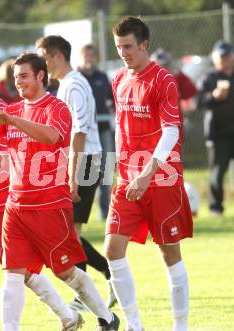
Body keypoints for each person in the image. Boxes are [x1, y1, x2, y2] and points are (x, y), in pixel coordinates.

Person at [0, 52, 119, 331]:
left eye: (24, 75)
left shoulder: (55, 107)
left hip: (49, 204)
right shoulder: (10, 111)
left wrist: (14, 122)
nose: (19, 82)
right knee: (13, 275)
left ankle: (107, 319)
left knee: (66, 272)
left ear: (40, 75)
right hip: (15, 207)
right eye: (15, 77)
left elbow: (51, 136)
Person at [107, 16, 194, 331]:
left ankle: (180, 327)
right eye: (119, 47)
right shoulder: (118, 78)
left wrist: (146, 172)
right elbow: (120, 125)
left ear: (144, 44)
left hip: (160, 179)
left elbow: (170, 131)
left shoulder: (164, 80)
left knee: (169, 253)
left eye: (128, 46)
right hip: (128, 178)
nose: (124, 53)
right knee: (112, 249)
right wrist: (119, 167)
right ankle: (134, 325)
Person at [36, 35, 116, 312]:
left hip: (86, 163)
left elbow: (79, 131)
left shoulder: (73, 85)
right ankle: (102, 281)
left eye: (42, 57)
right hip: (83, 162)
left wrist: (71, 174)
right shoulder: (69, 84)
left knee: (69, 233)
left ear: (56, 55)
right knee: (69, 232)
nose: (40, 64)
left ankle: (98, 283)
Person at [78, 44, 115, 221]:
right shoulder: (76, 79)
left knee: (106, 171)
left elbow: (113, 101)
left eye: (92, 55)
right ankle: (81, 213)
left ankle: (106, 212)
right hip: (84, 134)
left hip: (104, 129)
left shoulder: (102, 77)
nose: (89, 58)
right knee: (87, 174)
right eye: (86, 55)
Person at [198, 40, 234, 216]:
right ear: (215, 58)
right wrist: (214, 96)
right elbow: (198, 101)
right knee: (217, 173)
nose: (225, 60)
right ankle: (215, 209)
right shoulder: (209, 78)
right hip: (218, 134)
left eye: (227, 56)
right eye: (221, 57)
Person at [150, 48, 197, 112]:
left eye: (166, 65)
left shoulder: (175, 77)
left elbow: (191, 92)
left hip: (175, 119)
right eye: (159, 65)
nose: (163, 68)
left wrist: (180, 77)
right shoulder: (148, 80)